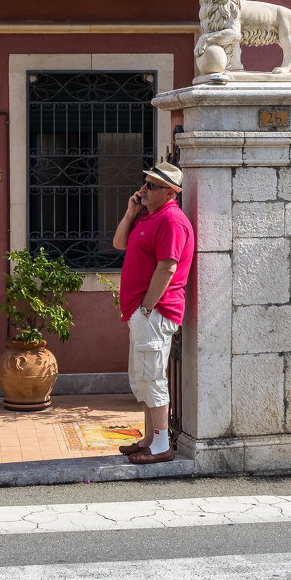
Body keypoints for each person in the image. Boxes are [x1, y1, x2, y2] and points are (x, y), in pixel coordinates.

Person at [111, 161, 195, 464]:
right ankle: (150, 439)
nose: (143, 189)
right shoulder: (148, 217)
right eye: (144, 182)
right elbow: (118, 243)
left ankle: (161, 446)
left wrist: (147, 307)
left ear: (169, 192)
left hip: (155, 312)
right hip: (143, 312)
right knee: (143, 378)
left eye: (151, 185)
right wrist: (131, 211)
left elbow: (168, 267)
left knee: (153, 377)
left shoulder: (171, 220)